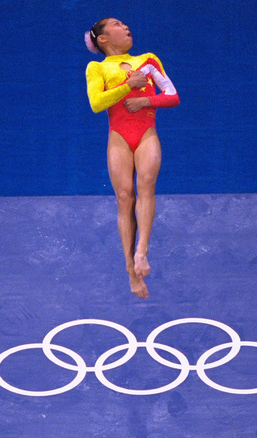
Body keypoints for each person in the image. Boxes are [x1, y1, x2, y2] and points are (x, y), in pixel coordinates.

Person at [84, 18, 179, 298]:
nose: (126, 26)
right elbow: (96, 103)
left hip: (146, 131)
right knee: (125, 197)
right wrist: (129, 86)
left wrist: (145, 100)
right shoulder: (97, 67)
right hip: (119, 136)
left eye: (126, 24)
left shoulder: (147, 60)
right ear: (103, 38)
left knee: (146, 184)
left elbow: (172, 95)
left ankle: (141, 252)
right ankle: (129, 269)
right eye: (117, 24)